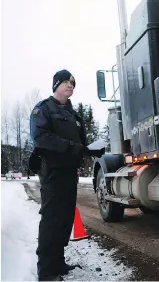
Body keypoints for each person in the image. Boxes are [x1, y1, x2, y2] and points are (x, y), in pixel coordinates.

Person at [29, 69, 104, 281]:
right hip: (52, 172)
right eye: (65, 82)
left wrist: (90, 150)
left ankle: (58, 261)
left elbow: (79, 144)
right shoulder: (44, 109)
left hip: (70, 172)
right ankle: (46, 269)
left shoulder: (73, 115)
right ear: (56, 85)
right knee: (52, 218)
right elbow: (42, 138)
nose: (70, 85)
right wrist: (76, 148)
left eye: (73, 82)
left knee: (65, 218)